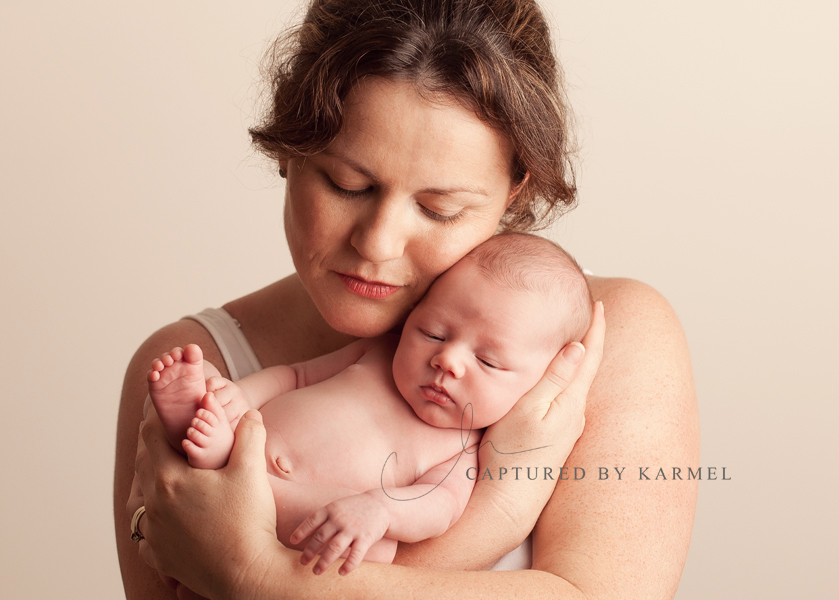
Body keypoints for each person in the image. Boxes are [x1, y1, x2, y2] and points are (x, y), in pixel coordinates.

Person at [114, 1, 699, 598]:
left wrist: (256, 575)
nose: (378, 242)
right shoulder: (191, 362)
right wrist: (502, 509)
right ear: (291, 149)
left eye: (439, 208)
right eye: (349, 185)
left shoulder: (610, 342)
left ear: (513, 191)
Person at [146, 233, 593, 576]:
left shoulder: (461, 448)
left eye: (488, 361)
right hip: (247, 429)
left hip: (304, 513)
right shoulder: (378, 353)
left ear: (540, 382)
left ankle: (225, 468)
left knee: (372, 548)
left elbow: (438, 506)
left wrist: (381, 510)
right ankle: (212, 433)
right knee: (208, 379)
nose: (448, 360)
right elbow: (296, 376)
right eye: (433, 332)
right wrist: (241, 396)